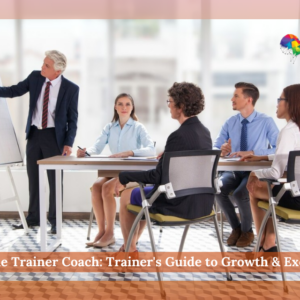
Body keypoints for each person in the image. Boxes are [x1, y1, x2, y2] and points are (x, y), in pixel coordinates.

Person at [114, 82, 213, 253]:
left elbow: (157, 177)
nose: (169, 106)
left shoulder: (177, 136)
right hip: (202, 202)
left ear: (180, 106)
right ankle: (129, 246)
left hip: (179, 204)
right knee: (144, 195)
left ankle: (129, 250)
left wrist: (124, 177)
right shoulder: (204, 132)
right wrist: (167, 155)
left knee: (127, 195)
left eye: (170, 102)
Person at [0, 50, 79, 234]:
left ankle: (55, 222)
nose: (42, 67)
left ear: (57, 71)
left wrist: (68, 143)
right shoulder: (35, 77)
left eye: (46, 66)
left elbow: (72, 119)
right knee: (33, 178)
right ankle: (34, 218)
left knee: (54, 180)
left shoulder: (71, 89)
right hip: (34, 135)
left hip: (54, 138)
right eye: (43, 63)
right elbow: (14, 91)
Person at [77, 93, 155, 248]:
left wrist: (129, 152)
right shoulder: (109, 127)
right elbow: (96, 148)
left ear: (132, 108)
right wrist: (85, 153)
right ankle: (102, 232)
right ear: (115, 107)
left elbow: (151, 149)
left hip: (131, 173)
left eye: (127, 104)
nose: (124, 107)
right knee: (97, 186)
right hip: (113, 171)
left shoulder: (138, 127)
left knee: (106, 187)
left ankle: (110, 233)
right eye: (120, 104)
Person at [214, 82, 279, 247]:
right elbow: (216, 146)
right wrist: (222, 149)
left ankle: (247, 231)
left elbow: (278, 148)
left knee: (240, 192)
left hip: (254, 171)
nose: (232, 99)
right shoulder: (230, 122)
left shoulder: (266, 121)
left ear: (249, 100)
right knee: (218, 189)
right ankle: (237, 229)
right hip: (234, 170)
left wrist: (253, 152)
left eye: (236, 96)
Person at [244, 84, 300, 252]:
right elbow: (290, 156)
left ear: (291, 103)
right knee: (267, 191)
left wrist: (254, 172)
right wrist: (264, 156)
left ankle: (264, 241)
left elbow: (275, 173)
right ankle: (268, 242)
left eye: (280, 100)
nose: (277, 104)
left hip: (297, 198)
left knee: (254, 188)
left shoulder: (289, 131)